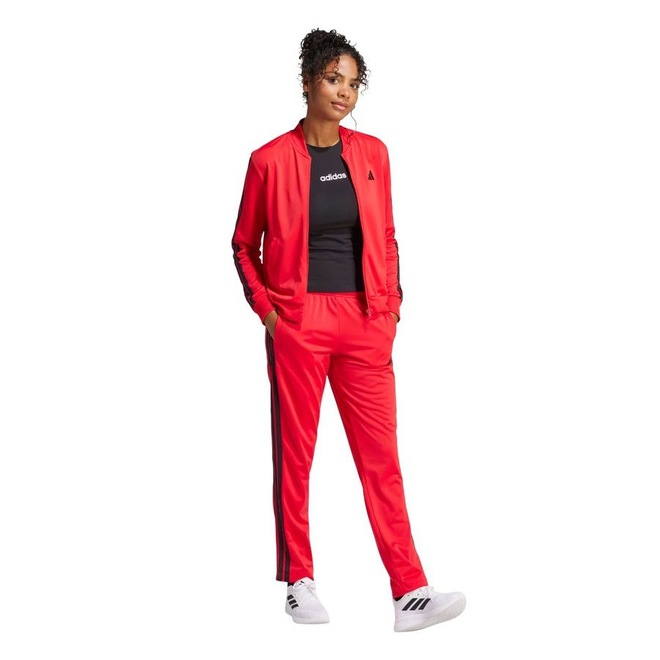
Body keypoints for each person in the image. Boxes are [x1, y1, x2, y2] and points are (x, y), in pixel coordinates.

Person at [231, 27, 466, 633]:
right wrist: (271, 314)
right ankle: (299, 581)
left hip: (365, 322)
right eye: (333, 79)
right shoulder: (268, 160)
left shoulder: (373, 154)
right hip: (299, 323)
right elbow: (243, 246)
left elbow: (385, 236)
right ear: (307, 80)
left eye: (353, 84)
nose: (344, 92)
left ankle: (410, 591)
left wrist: (391, 310)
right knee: (296, 457)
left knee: (382, 460)